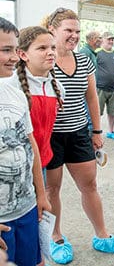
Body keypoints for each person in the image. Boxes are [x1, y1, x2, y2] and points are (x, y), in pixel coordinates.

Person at [42, 8, 114, 264]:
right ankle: (55, 236)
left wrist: (97, 130)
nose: (74, 36)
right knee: (51, 189)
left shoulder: (84, 60)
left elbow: (91, 97)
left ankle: (102, 235)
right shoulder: (44, 60)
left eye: (77, 31)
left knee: (90, 186)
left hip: (79, 132)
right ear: (53, 30)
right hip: (50, 136)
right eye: (68, 30)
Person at [0, 17, 50, 266]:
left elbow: (31, 147)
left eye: (14, 49)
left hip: (27, 207)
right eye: (5, 50)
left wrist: (40, 194)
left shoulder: (16, 92)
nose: (14, 57)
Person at [10, 26, 64, 173]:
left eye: (53, 47)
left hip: (41, 161)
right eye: (42, 48)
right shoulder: (11, 86)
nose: (51, 52)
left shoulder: (58, 88)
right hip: (15, 164)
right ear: (23, 54)